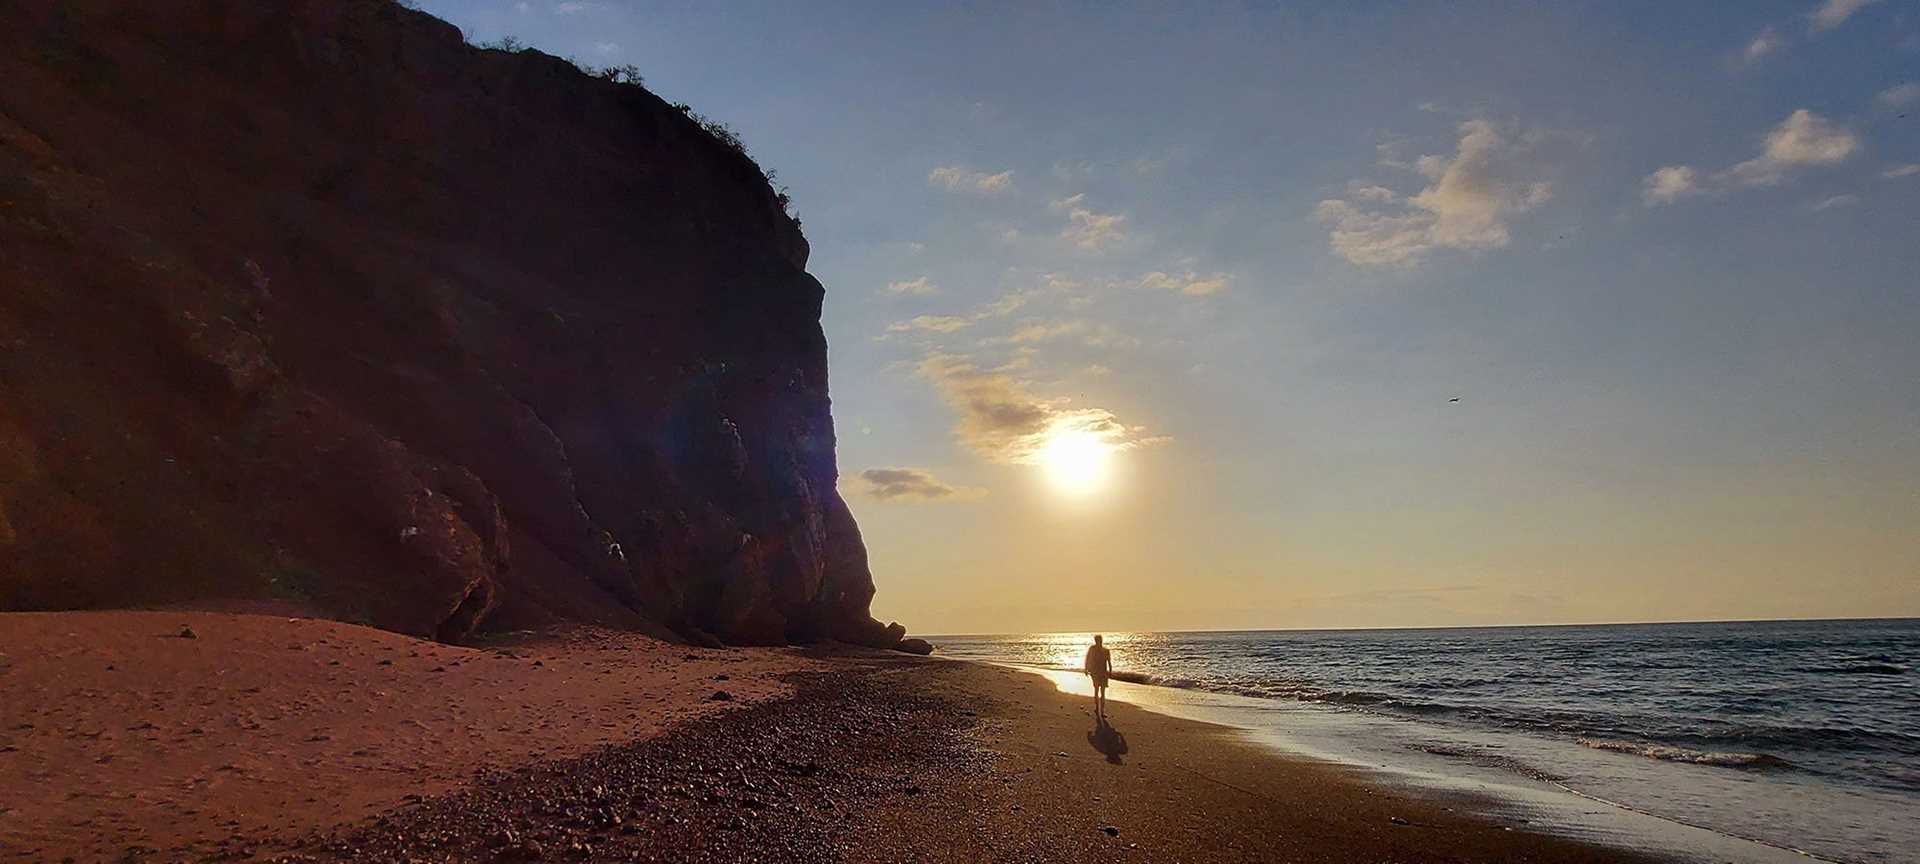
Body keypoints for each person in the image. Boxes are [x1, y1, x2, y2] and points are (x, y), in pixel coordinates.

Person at [1084, 634, 1111, 719]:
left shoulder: (1106, 650)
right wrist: (1086, 668)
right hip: (1095, 672)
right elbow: (1087, 658)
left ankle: (1102, 711)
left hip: (1103, 673)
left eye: (1100, 640)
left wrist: (1110, 671)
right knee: (1096, 690)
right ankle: (1097, 708)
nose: (1099, 641)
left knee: (1102, 692)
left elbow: (1109, 662)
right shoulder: (1092, 649)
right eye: (1098, 640)